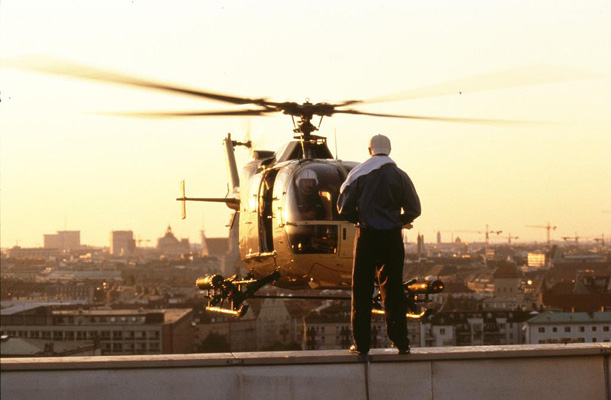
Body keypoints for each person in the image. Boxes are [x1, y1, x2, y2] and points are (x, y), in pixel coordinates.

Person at [337, 134, 421, 355]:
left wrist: (360, 219)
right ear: (389, 150)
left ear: (369, 150)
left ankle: (362, 344)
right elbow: (414, 209)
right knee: (393, 290)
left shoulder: (359, 174)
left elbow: (343, 209)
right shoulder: (401, 176)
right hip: (392, 238)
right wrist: (397, 222)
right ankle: (401, 342)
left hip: (366, 236)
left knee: (362, 289)